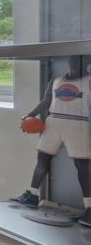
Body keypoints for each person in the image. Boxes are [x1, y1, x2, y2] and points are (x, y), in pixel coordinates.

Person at [12, 55, 91, 227]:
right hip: (53, 122)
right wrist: (30, 115)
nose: (76, 63)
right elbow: (46, 102)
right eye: (73, 60)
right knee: (42, 159)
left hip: (78, 123)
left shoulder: (89, 80)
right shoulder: (56, 81)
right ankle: (32, 195)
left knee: (82, 166)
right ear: (68, 62)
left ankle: (89, 208)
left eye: (82, 61)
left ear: (88, 63)